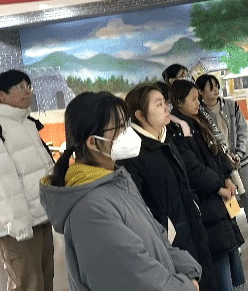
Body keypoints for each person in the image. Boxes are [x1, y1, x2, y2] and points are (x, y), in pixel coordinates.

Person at [39, 92, 201, 291]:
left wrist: (188, 271)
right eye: (120, 128)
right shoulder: (90, 210)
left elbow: (157, 237)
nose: (128, 133)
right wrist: (185, 287)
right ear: (93, 142)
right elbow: (134, 277)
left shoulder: (117, 181)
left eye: (127, 124)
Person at [120, 84, 213, 289]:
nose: (166, 108)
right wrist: (167, 231)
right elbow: (138, 209)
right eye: (158, 104)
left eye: (165, 102)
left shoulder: (166, 140)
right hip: (170, 244)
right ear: (140, 115)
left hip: (192, 229)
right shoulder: (133, 154)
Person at [169, 80, 245, 291]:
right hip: (206, 202)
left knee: (228, 255)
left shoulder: (198, 120)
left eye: (198, 98)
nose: (198, 102)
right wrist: (218, 186)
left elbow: (217, 151)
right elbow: (192, 169)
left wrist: (227, 177)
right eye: (193, 99)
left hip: (219, 198)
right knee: (219, 261)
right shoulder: (177, 130)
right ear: (179, 102)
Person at [197, 74, 248, 249]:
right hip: (220, 165)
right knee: (229, 202)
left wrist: (239, 153)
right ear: (200, 92)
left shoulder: (231, 105)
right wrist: (224, 158)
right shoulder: (199, 114)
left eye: (217, 86)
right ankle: (234, 240)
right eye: (210, 87)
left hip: (241, 161)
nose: (215, 90)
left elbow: (242, 130)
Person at [0, 70, 55, 291]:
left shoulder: (28, 123)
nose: (27, 91)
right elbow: (4, 183)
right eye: (20, 87)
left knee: (46, 277)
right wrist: (19, 225)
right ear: (2, 95)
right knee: (28, 284)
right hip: (18, 226)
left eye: (28, 86)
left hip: (41, 215)